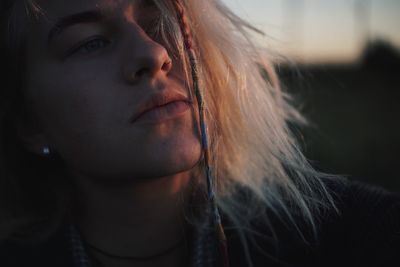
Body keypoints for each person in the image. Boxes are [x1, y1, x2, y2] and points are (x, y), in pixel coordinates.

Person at [0, 0, 399, 267]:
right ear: (29, 123)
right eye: (90, 43)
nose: (153, 54)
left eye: (162, 23)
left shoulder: (347, 236)